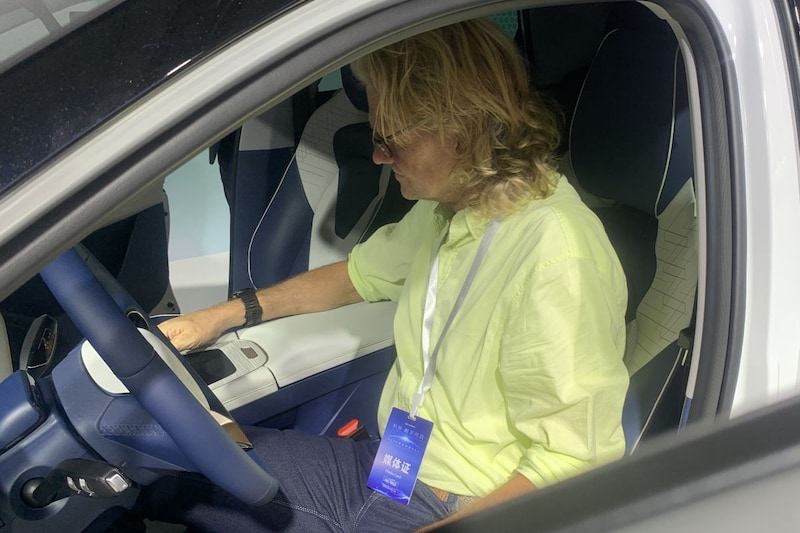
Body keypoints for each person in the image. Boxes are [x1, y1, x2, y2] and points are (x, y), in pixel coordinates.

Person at [154, 17, 629, 532]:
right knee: (167, 466)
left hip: (457, 506)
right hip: (392, 469)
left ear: (459, 131)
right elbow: (355, 276)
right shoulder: (453, 207)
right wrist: (218, 317)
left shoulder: (557, 256)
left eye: (391, 140)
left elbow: (573, 463)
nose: (379, 157)